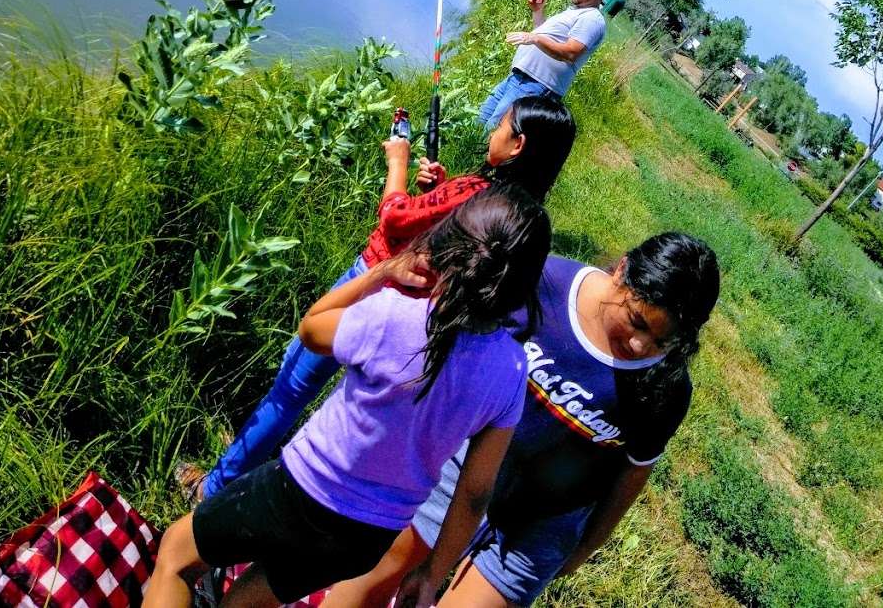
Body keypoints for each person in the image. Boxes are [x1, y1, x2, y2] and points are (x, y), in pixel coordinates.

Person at [146, 186, 552, 608]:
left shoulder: (392, 316)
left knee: (176, 554)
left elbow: (311, 328)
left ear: (449, 246)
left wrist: (380, 273)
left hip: (302, 491)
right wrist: (432, 572)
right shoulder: (511, 371)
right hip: (368, 537)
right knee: (250, 600)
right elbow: (473, 492)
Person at [182, 96, 576, 503]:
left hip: (373, 286)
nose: (493, 130)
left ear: (518, 145)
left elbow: (393, 219)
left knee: (291, 388)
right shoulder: (517, 213)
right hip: (416, 320)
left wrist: (398, 161)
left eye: (502, 126)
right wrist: (437, 193)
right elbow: (458, 238)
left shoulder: (475, 189)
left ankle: (213, 488)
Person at [320, 231, 720, 608]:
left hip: (541, 528)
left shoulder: (668, 389)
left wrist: (587, 546)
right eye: (636, 320)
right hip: (459, 471)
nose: (640, 345)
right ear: (621, 269)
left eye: (664, 341)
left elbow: (633, 474)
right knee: (371, 576)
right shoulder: (544, 283)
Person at [479, 0, 610, 129]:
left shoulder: (592, 19)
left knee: (493, 133)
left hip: (537, 85)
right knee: (479, 123)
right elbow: (542, 34)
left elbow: (570, 53)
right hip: (518, 78)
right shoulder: (575, 12)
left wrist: (534, 38)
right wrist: (537, 10)